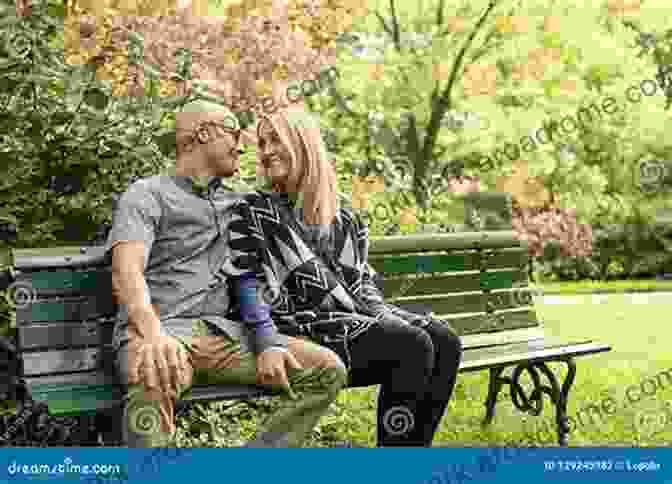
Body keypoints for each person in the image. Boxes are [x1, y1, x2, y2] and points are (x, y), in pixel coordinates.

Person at [106, 99, 347, 448]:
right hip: (158, 331)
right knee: (152, 374)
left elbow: (301, 202)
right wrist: (155, 334)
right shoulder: (147, 196)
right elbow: (126, 273)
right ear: (203, 134)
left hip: (223, 336)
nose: (242, 145)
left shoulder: (241, 205)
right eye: (233, 133)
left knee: (326, 370)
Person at [224, 107, 463, 446]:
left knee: (445, 339)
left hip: (349, 319)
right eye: (261, 143)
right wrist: (265, 342)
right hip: (296, 326)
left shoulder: (343, 214)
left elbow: (362, 280)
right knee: (411, 344)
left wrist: (381, 315)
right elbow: (245, 283)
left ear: (302, 143)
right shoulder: (253, 210)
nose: (265, 151)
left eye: (275, 139)